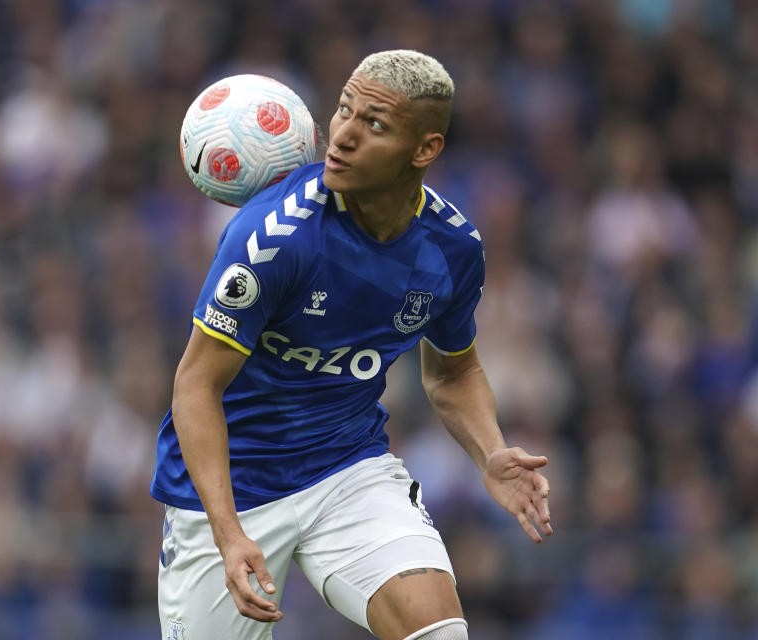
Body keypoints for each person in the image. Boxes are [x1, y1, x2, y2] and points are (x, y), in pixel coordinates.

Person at [151, 49, 553, 640]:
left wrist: (489, 451)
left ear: (425, 150)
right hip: (234, 486)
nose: (342, 135)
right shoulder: (273, 238)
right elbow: (195, 384)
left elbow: (453, 372)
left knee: (440, 632)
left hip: (346, 468)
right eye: (343, 109)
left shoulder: (453, 249)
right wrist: (229, 532)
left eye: (375, 124)